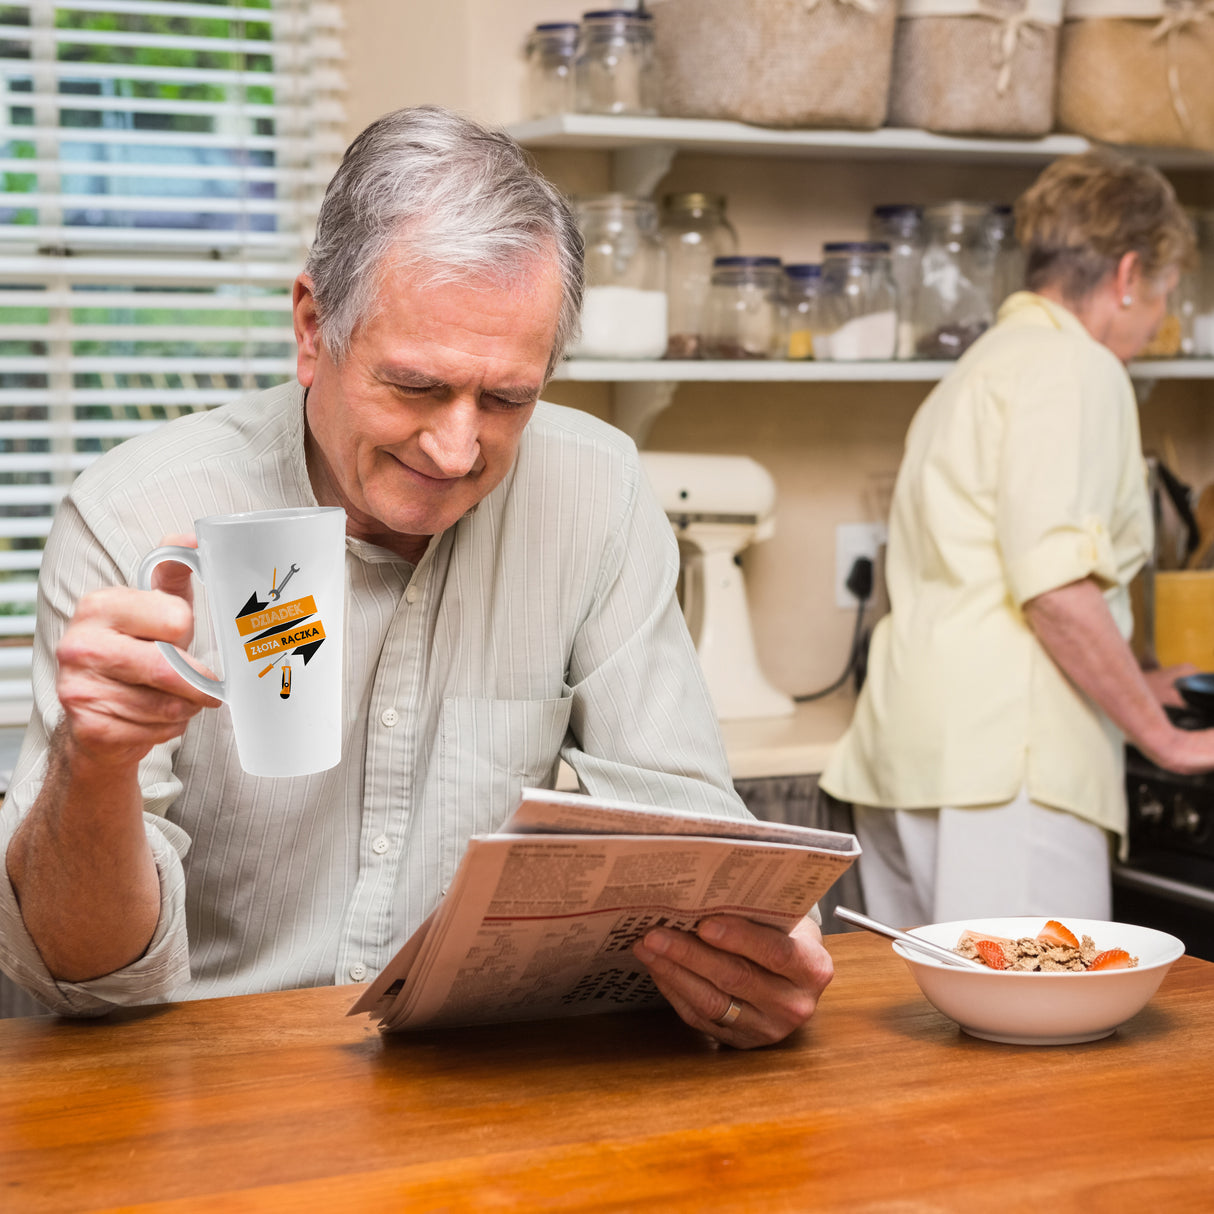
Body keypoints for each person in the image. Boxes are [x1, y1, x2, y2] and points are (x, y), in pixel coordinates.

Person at [0, 106, 831, 1045]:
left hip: (468, 1073)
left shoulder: (596, 488)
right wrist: (94, 763)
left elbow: (687, 832)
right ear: (314, 329)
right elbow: (79, 975)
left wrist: (747, 952)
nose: (457, 447)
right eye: (417, 386)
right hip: (200, 1076)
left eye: (509, 398)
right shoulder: (135, 514)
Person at [821, 150, 1214, 926]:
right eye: (1163, 295)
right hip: (1008, 773)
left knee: (933, 1033)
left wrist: (1141, 679)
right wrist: (1166, 739)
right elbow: (1054, 588)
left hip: (911, 757)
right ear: (1130, 273)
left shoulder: (978, 369)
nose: (1159, 320)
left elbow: (990, 566)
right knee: (1041, 1035)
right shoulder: (1078, 366)